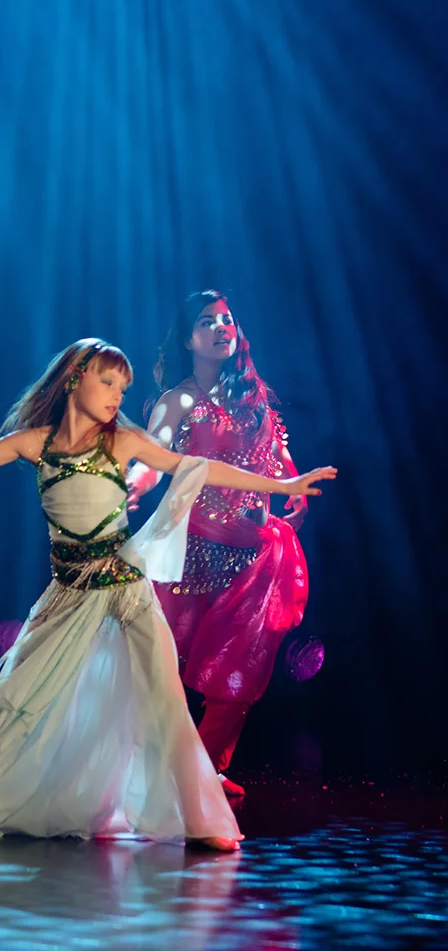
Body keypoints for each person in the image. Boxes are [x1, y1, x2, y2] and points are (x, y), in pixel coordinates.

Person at [0, 338, 336, 850]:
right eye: (107, 382)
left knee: (164, 700)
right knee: (22, 701)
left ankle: (201, 820)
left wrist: (284, 487)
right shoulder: (33, 442)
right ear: (74, 379)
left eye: (122, 388)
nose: (116, 396)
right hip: (67, 594)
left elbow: (197, 468)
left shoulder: (122, 442)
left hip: (127, 592)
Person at [128, 292, 317, 796]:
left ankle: (204, 770)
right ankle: (148, 769)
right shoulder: (179, 400)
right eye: (207, 322)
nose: (220, 328)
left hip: (255, 555)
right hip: (193, 552)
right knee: (166, 666)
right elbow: (153, 456)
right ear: (188, 339)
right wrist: (135, 484)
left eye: (227, 320)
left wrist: (295, 486)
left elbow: (275, 450)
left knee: (241, 667)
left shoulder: (253, 398)